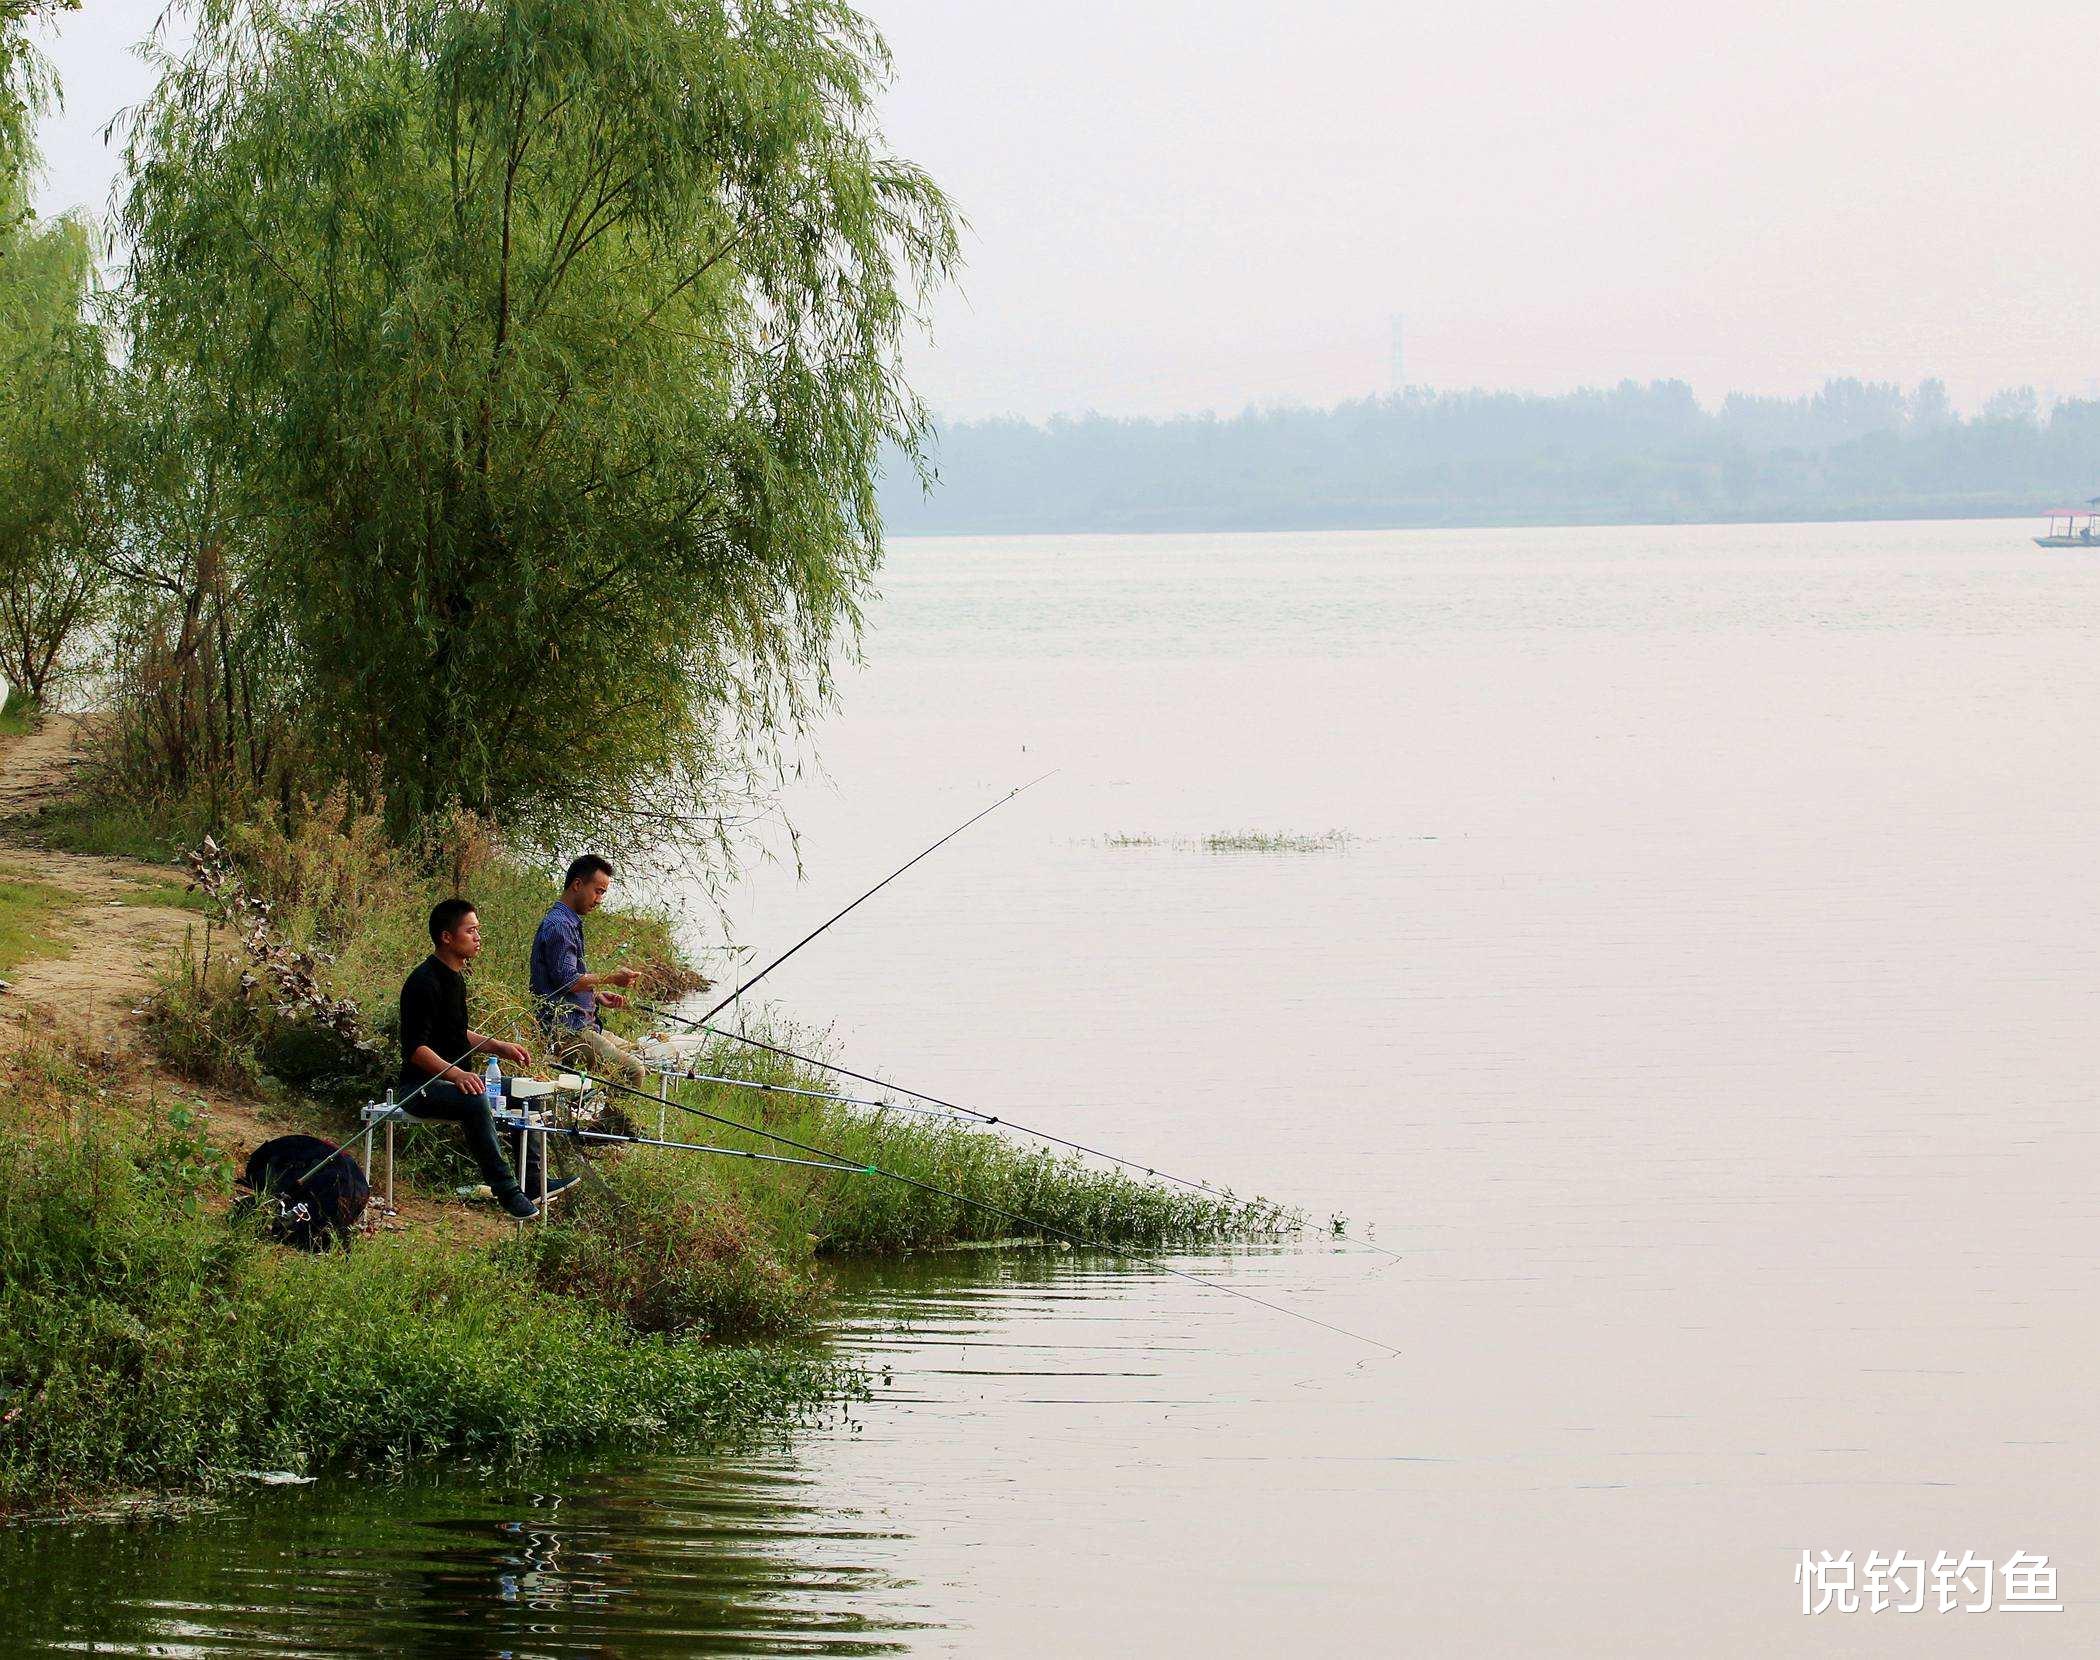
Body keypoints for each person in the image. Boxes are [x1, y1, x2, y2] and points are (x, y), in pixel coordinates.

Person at [399, 898, 574, 1219]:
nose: (478, 937)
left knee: (527, 1093)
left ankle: (532, 1182)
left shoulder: (455, 977)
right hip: (420, 1087)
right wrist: (456, 1075)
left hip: (452, 1082)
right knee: (476, 1097)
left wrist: (500, 1047)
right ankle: (507, 1192)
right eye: (471, 931)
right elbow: (416, 1049)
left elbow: (457, 1034)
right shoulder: (424, 982)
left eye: (479, 930)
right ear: (446, 937)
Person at [530, 854, 649, 1087]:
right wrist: (612, 978)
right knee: (632, 1070)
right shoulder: (560, 926)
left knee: (643, 1053)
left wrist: (596, 995)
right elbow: (568, 981)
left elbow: (561, 979)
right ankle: (610, 1124)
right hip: (566, 1031)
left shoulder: (568, 922)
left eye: (603, 893)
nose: (599, 899)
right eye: (598, 891)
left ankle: (607, 1119)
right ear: (577, 884)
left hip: (583, 1025)